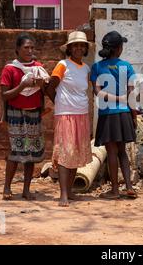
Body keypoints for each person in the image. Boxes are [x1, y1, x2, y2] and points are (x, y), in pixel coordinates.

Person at [45, 31, 93, 207]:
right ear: (69, 48)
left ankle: (70, 191)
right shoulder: (62, 65)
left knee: (76, 152)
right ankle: (63, 194)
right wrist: (59, 102)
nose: (79, 48)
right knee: (66, 152)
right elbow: (50, 88)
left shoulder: (86, 68)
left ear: (86, 49)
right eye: (76, 45)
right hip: (65, 114)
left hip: (82, 113)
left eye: (82, 45)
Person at [90, 31, 138, 200]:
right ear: (118, 49)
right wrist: (134, 117)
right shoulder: (127, 66)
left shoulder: (96, 67)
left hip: (108, 114)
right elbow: (132, 95)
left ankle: (115, 191)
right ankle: (129, 187)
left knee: (111, 152)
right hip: (124, 114)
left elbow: (97, 92)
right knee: (122, 151)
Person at [0, 33, 47, 200]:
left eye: (32, 47)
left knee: (31, 153)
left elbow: (44, 91)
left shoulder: (38, 67)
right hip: (15, 114)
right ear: (17, 50)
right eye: (26, 47)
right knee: (15, 150)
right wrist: (22, 86)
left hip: (34, 113)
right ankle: (7, 188)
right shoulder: (10, 69)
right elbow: (5, 95)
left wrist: (41, 85)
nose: (29, 50)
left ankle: (26, 190)